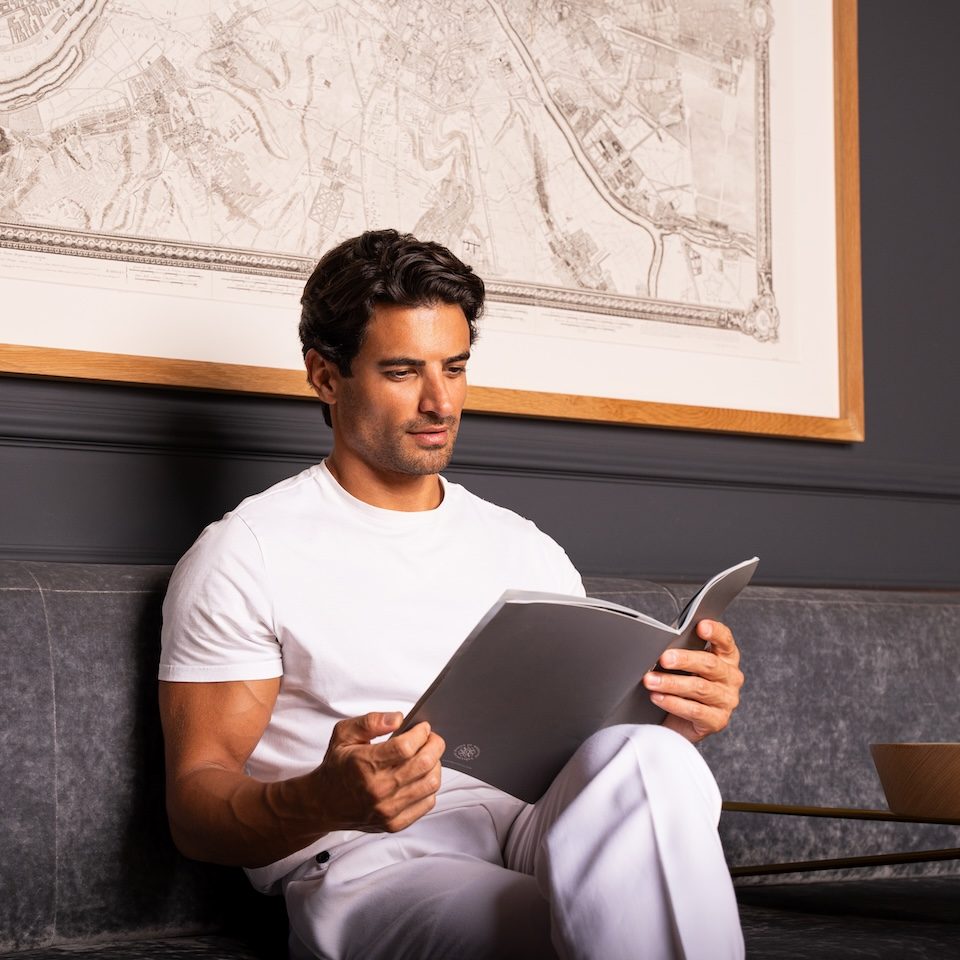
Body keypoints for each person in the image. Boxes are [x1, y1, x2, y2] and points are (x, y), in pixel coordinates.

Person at [159, 229, 746, 960]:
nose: (440, 401)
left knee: (652, 758)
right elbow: (195, 804)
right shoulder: (246, 552)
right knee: (569, 934)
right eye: (403, 371)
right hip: (377, 863)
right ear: (325, 376)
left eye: (456, 368)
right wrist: (320, 798)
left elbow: (589, 752)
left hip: (536, 829)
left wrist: (678, 716)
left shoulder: (525, 547)